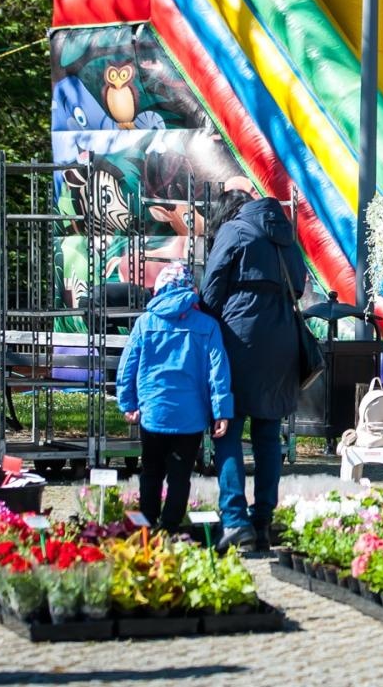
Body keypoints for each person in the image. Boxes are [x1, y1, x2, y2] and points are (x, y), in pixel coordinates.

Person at [201, 189, 306, 551]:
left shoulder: (235, 230)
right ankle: (262, 521)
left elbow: (211, 288)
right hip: (283, 341)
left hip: (240, 338)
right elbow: (301, 284)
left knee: (226, 427)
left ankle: (234, 519)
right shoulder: (287, 235)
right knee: (268, 433)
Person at [116, 263, 233, 532]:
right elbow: (218, 373)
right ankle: (169, 528)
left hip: (154, 414)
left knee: (151, 472)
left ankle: (145, 526)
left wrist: (128, 402)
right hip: (190, 420)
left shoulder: (145, 322)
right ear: (190, 290)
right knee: (180, 476)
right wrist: (222, 412)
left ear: (158, 289)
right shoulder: (208, 326)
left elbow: (127, 365)